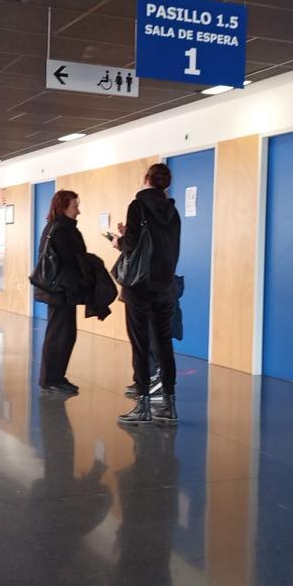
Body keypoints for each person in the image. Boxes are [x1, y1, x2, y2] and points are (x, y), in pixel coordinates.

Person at [113, 163, 181, 425]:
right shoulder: (172, 211)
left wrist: (119, 241)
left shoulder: (137, 205)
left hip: (140, 287)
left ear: (146, 179)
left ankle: (142, 406)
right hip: (165, 286)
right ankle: (169, 404)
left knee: (141, 345)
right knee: (164, 344)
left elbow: (130, 244)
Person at [34, 190, 87, 395]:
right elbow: (71, 260)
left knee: (65, 334)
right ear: (64, 207)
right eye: (75, 206)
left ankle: (56, 376)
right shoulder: (61, 229)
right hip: (59, 291)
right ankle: (50, 379)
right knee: (59, 335)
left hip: (64, 290)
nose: (78, 211)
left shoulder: (62, 227)